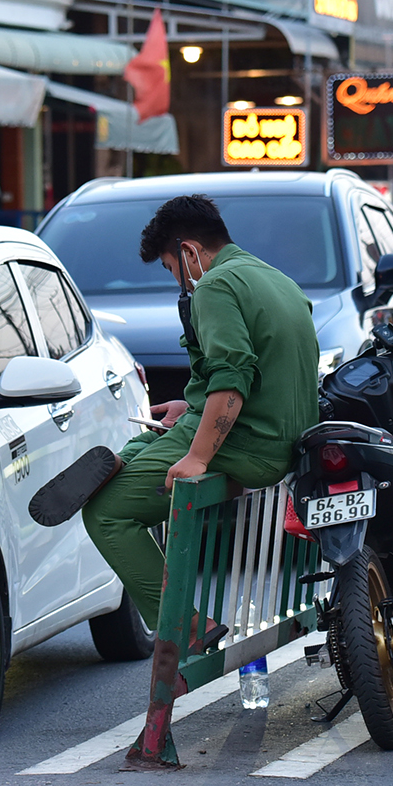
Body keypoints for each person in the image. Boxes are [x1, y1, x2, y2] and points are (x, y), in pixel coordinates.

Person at [33, 194, 319, 633]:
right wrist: (194, 408)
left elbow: (232, 378)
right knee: (149, 439)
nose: (179, 283)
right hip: (285, 439)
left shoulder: (214, 287)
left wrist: (198, 456)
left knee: (106, 513)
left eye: (172, 269)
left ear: (189, 251)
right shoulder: (277, 280)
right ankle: (134, 455)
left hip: (251, 448)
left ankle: (184, 625)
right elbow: (264, 372)